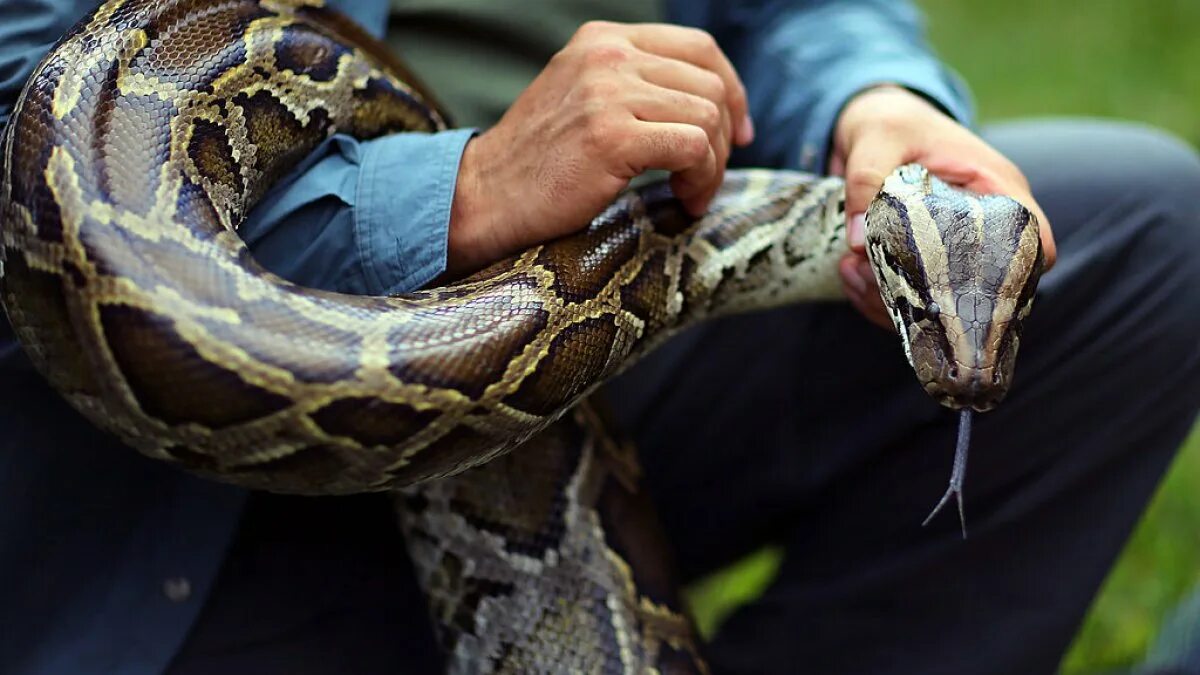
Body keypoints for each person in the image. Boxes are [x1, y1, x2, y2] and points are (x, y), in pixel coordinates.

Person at [0, 0, 1196, 673]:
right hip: (166, 509)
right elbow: (28, 108)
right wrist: (464, 191)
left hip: (587, 318)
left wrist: (872, 98)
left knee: (1140, 227)